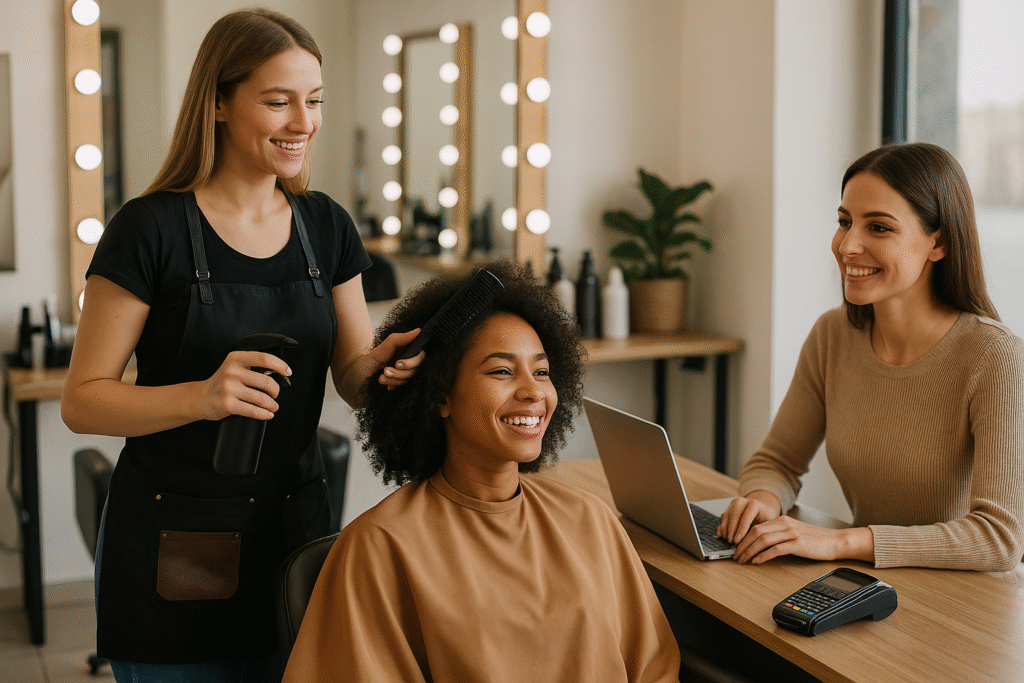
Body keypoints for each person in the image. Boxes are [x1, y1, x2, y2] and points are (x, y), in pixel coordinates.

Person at [60, 9, 421, 681]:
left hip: (294, 531)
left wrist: (389, 369)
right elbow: (82, 402)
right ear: (219, 102)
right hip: (176, 542)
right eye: (278, 101)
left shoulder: (326, 227)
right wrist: (202, 396)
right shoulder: (150, 229)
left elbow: (350, 373)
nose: (303, 122)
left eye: (313, 101)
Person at [282, 261, 682, 682]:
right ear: (441, 396)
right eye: (502, 371)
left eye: (542, 372)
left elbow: (654, 669)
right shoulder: (380, 547)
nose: (533, 392)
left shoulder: (590, 520)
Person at [718, 142, 1024, 572]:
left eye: (878, 228)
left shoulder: (994, 357)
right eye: (845, 222)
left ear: (939, 243)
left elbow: (999, 538)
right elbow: (778, 462)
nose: (848, 246)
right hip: (870, 587)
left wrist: (841, 541)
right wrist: (762, 503)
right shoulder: (833, 335)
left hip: (968, 605)